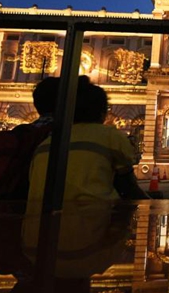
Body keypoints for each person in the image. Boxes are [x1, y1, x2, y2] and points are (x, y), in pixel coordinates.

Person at [26, 78, 147, 217]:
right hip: (92, 223)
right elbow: (128, 187)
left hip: (38, 226)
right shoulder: (111, 136)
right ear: (102, 113)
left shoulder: (46, 142)